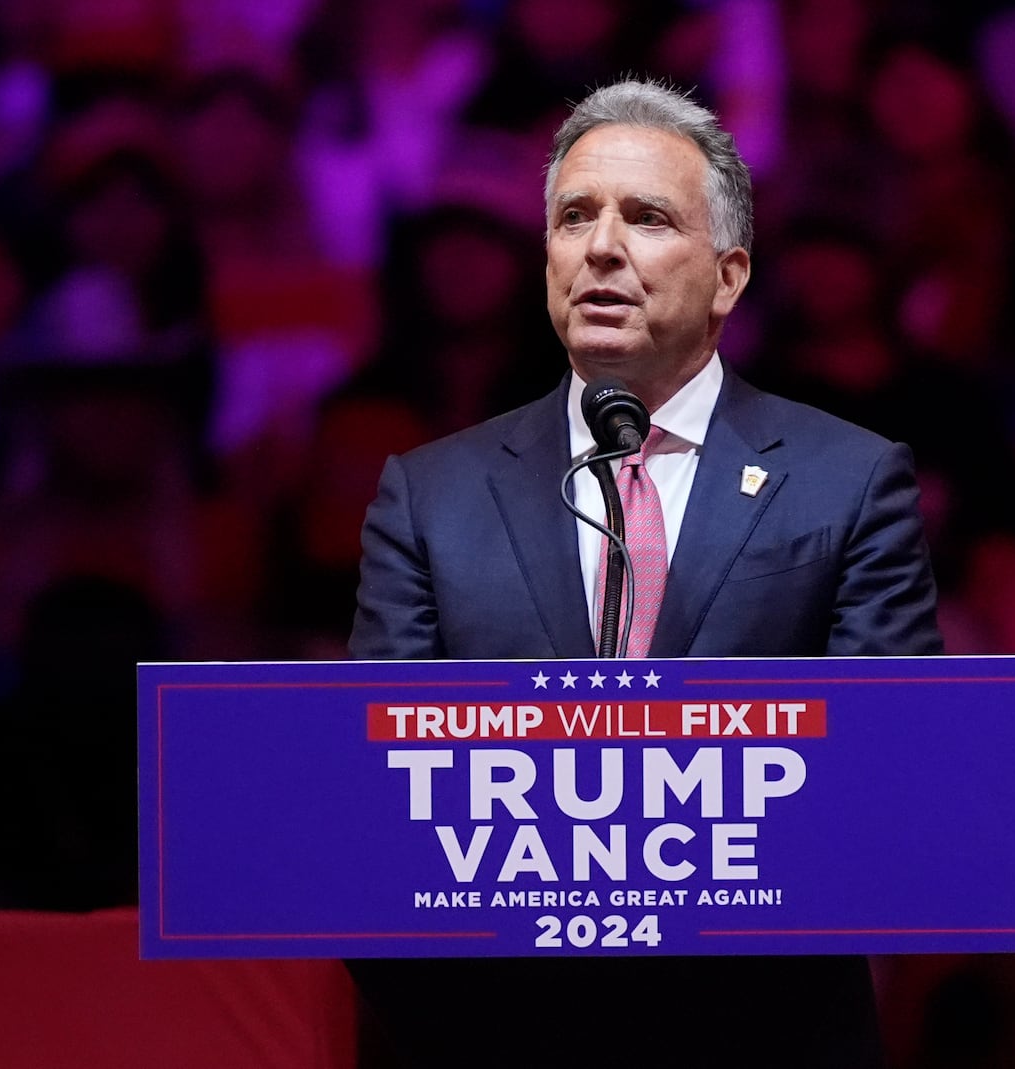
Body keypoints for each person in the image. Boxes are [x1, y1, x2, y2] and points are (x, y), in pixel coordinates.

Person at [348, 78, 942, 1068]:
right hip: (495, 1033)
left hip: (761, 1030)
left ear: (727, 274)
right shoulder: (429, 494)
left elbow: (890, 775)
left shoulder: (847, 480)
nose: (601, 247)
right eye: (574, 216)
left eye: (647, 217)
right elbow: (378, 795)